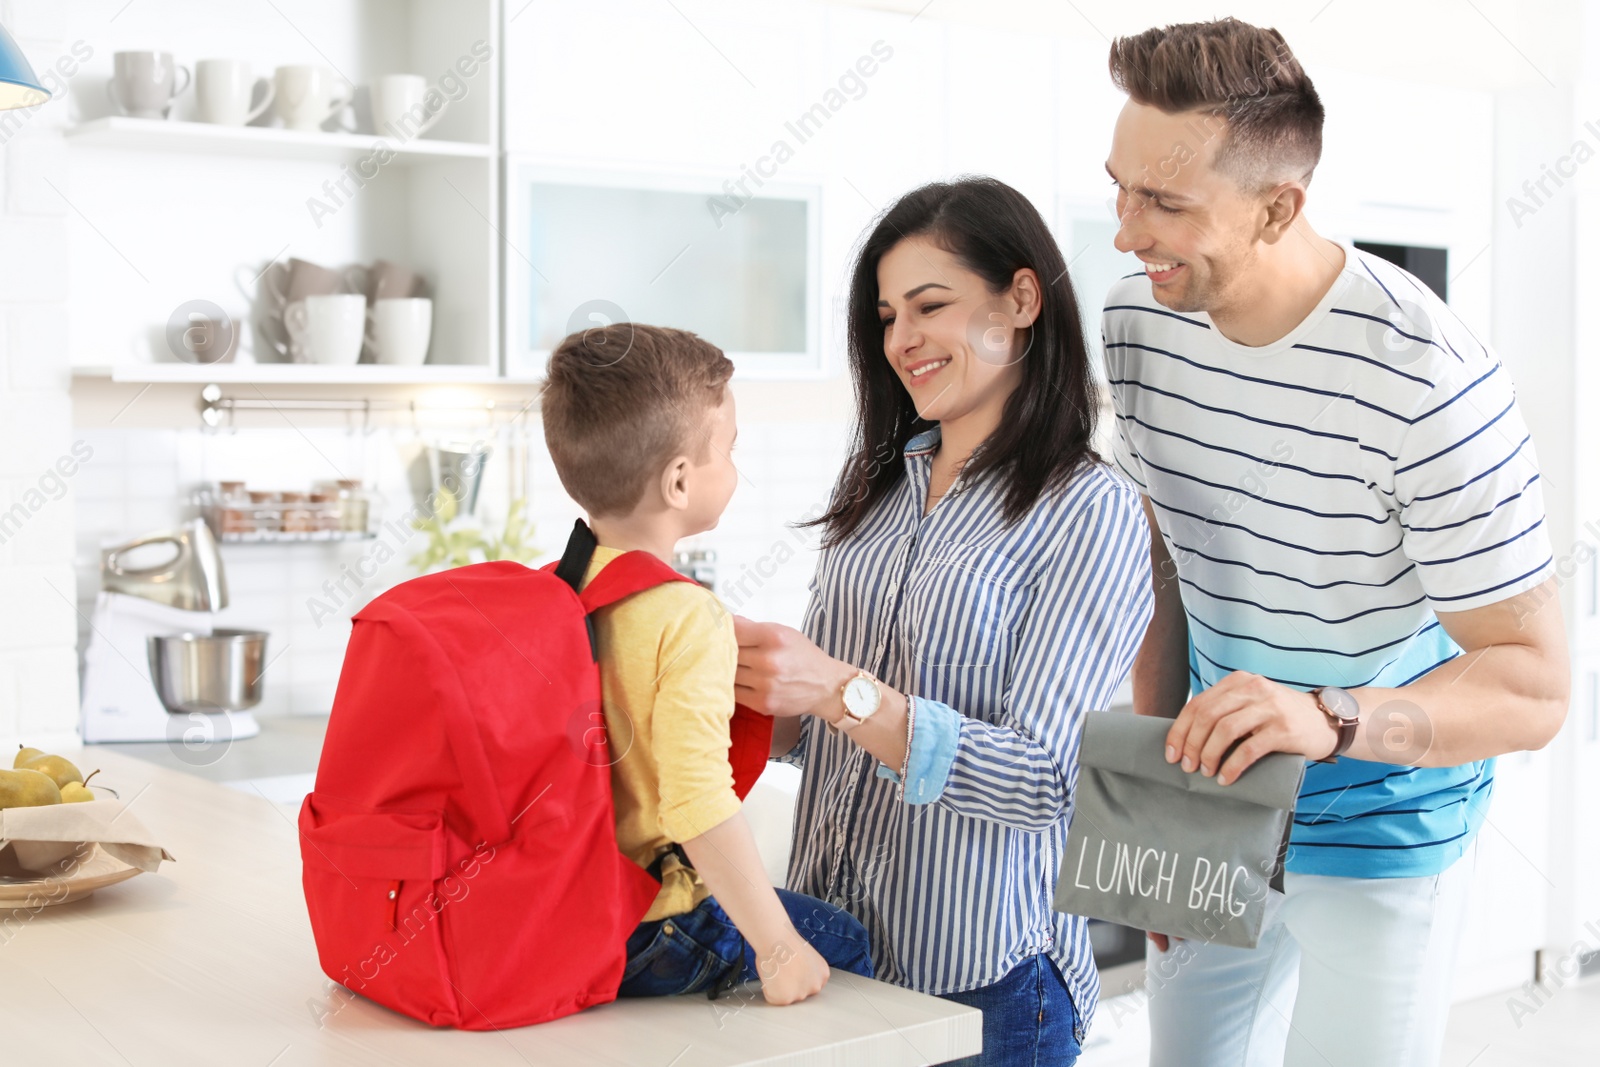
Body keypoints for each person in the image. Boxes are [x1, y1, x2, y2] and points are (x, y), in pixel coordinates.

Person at [1101, 18, 1569, 1067]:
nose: (1127, 233)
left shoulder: (1428, 382)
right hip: (1213, 800)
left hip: (1385, 826)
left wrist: (1327, 716)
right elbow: (1162, 559)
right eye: (1121, 189)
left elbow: (1534, 689)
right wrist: (1158, 796)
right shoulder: (1138, 322)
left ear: (1278, 206)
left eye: (1165, 203)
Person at [732, 176, 1153, 1065]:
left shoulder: (1090, 509)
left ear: (1023, 298)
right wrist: (743, 692)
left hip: (985, 991)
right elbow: (827, 738)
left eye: (930, 306)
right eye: (886, 316)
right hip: (833, 959)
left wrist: (842, 693)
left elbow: (1048, 779)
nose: (902, 341)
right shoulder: (878, 494)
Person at [540, 323, 874, 1005]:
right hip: (654, 927)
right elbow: (697, 804)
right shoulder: (688, 616)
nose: (735, 466)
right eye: (728, 450)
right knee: (845, 941)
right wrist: (779, 948)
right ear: (681, 480)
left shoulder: (558, 587)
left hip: (570, 909)